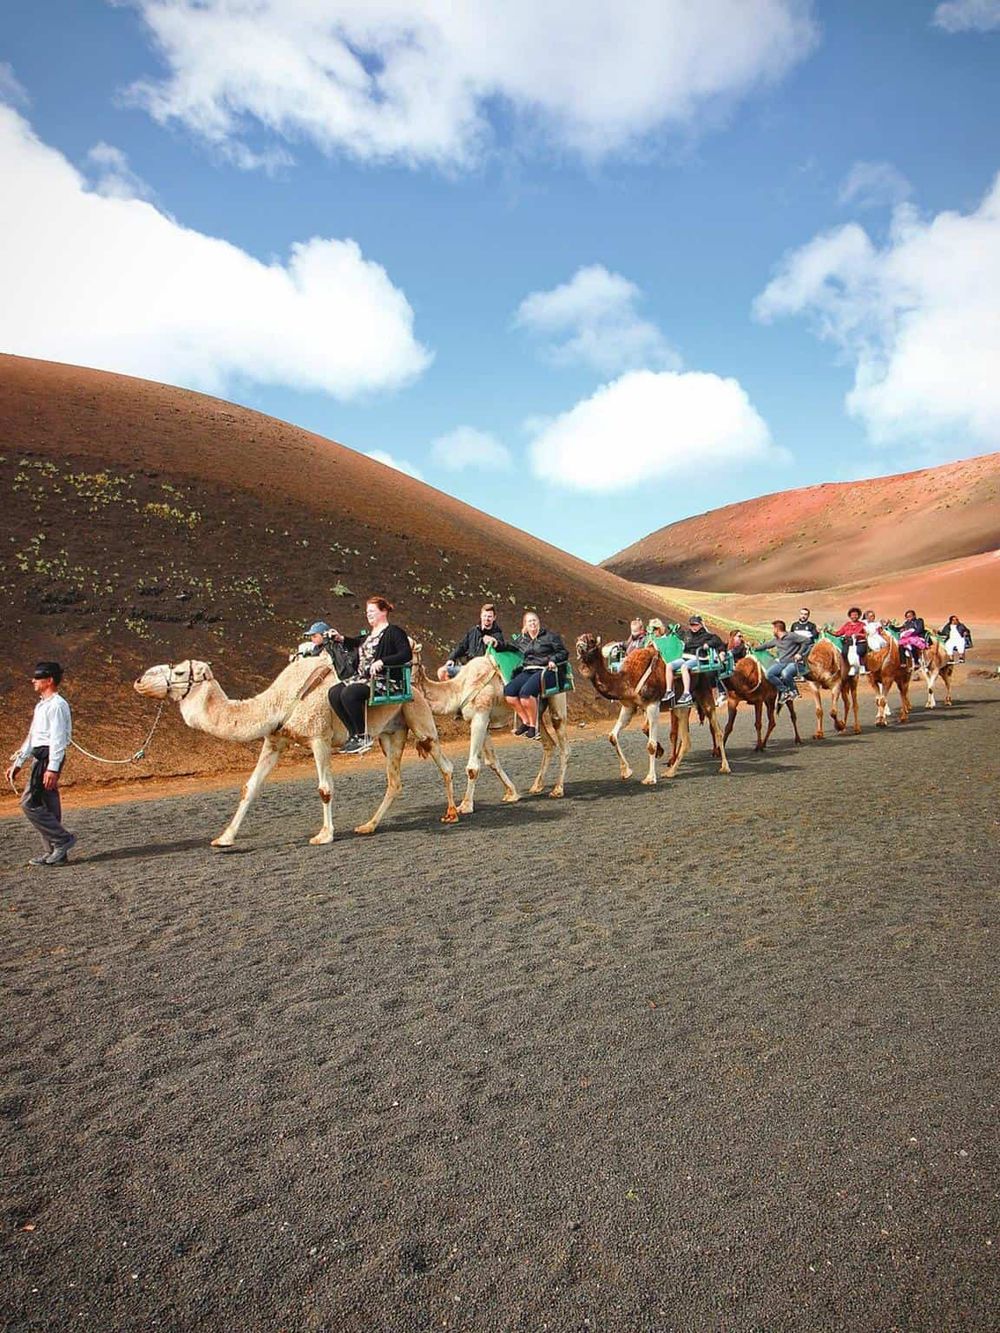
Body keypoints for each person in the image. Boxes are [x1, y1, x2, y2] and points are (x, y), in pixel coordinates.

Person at [5, 661, 76, 866]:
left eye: (38, 677)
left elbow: (57, 738)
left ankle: (62, 840)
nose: (33, 681)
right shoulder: (42, 705)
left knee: (29, 803)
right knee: (48, 803)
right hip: (41, 756)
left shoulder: (57, 705)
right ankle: (55, 852)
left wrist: (53, 767)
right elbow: (33, 736)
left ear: (49, 680)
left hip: (47, 758)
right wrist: (19, 762)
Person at [326, 596, 412, 754]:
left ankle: (363, 736)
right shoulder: (370, 635)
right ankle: (354, 735)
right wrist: (340, 638)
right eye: (367, 612)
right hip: (363, 678)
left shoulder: (394, 632)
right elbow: (358, 644)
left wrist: (382, 661)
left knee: (349, 693)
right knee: (333, 692)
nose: (368, 614)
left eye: (372, 611)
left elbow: (406, 654)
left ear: (384, 611)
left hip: (384, 680)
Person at [504, 611, 568, 740]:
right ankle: (526, 721)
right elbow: (509, 646)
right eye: (529, 621)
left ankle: (534, 726)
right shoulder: (523, 639)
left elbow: (563, 652)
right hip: (528, 670)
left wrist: (553, 660)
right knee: (509, 692)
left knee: (525, 693)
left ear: (538, 622)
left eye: (534, 620)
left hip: (545, 670)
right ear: (525, 625)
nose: (532, 623)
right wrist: (495, 643)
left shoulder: (550, 637)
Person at [663, 615, 726, 707]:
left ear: (700, 625)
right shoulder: (687, 634)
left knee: (684, 667)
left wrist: (708, 644)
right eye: (692, 625)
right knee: (669, 665)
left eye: (696, 625)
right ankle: (669, 691)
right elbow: (679, 635)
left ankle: (686, 693)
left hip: (698, 658)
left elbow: (718, 642)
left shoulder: (707, 635)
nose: (694, 627)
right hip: (686, 657)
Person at [438, 603, 509, 680]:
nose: (487, 618)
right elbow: (462, 646)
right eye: (485, 616)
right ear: (481, 616)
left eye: (489, 616)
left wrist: (494, 642)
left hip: (482, 671)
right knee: (442, 671)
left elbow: (501, 646)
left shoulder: (497, 633)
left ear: (494, 618)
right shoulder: (473, 631)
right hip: (468, 667)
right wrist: (451, 658)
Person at [756, 621, 812, 701]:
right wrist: (754, 648)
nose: (773, 631)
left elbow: (807, 641)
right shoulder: (776, 640)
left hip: (794, 663)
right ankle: (785, 691)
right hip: (782, 663)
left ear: (777, 629)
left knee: (785, 673)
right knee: (769, 674)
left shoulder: (791, 636)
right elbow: (766, 645)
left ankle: (794, 691)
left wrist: (799, 653)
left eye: (773, 629)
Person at [835, 607, 869, 676]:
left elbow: (866, 634)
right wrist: (828, 631)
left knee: (860, 651)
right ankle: (849, 667)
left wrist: (859, 635)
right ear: (850, 616)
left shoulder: (862, 624)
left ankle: (862, 666)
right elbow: (839, 633)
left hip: (859, 642)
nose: (854, 616)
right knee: (844, 653)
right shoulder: (847, 624)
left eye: (856, 615)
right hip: (849, 642)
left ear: (859, 616)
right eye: (852, 615)